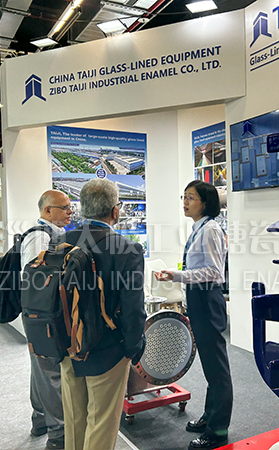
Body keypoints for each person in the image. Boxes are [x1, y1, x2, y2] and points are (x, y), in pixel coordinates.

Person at [56, 178, 146, 450]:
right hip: (108, 349)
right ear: (115, 211)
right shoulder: (128, 249)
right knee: (102, 422)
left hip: (67, 344)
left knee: (74, 419)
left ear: (82, 208)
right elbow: (133, 308)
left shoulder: (60, 242)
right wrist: (132, 348)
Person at [155, 180, 232, 450]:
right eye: (184, 197)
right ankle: (210, 416)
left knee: (217, 368)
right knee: (210, 365)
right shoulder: (200, 227)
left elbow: (214, 272)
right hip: (199, 299)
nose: (185, 202)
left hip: (208, 299)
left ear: (205, 202)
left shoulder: (210, 229)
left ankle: (218, 431)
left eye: (191, 197)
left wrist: (177, 275)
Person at [20, 190, 73, 450]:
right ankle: (58, 436)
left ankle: (40, 420)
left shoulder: (53, 234)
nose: (70, 212)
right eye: (65, 207)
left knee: (41, 368)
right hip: (42, 316)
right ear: (48, 210)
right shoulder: (40, 236)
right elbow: (36, 279)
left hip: (44, 314)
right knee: (51, 373)